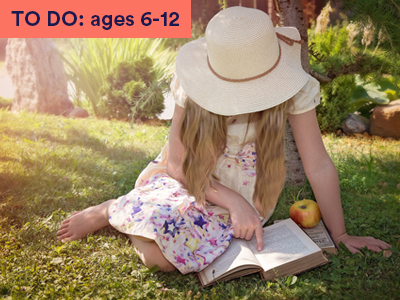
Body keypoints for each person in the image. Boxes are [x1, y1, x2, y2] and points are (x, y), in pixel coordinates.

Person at [57, 7, 391, 274]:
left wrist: (342, 234)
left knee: (177, 254)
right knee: (158, 255)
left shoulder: (295, 88)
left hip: (250, 190)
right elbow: (176, 163)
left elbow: (318, 164)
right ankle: (112, 208)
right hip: (188, 178)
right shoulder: (191, 83)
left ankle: (132, 215)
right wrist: (232, 201)